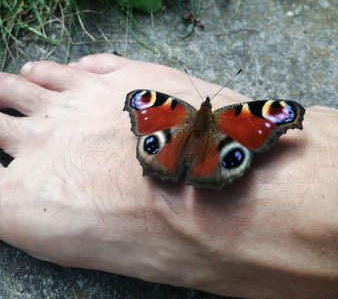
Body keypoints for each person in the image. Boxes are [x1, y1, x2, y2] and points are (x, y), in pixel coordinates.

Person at [0, 53, 337, 298]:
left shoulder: (179, 111)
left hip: (182, 137)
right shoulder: (231, 119)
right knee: (238, 138)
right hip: (219, 147)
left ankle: (296, 213)